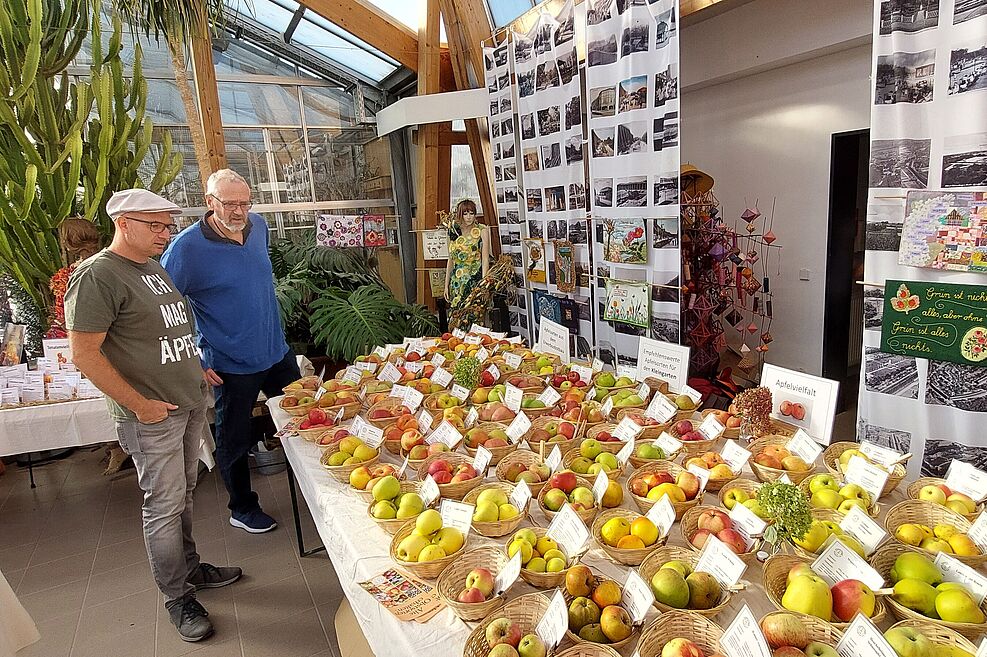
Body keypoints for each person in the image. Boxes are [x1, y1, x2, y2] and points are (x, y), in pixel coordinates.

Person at [65, 189, 242, 643]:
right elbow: (84, 353)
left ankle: (190, 568)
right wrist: (139, 404)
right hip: (152, 415)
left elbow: (164, 328)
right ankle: (177, 596)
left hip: (184, 401)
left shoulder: (150, 267)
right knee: (163, 506)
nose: (166, 234)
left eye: (167, 225)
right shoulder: (98, 275)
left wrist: (195, 366)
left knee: (182, 497)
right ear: (124, 224)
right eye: (155, 226)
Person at [161, 169, 299, 534]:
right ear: (210, 202)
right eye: (230, 204)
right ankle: (242, 507)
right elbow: (163, 308)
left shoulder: (259, 227)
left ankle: (317, 486)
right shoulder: (186, 249)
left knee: (304, 420)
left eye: (245, 202)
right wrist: (194, 357)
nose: (239, 212)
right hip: (230, 362)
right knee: (234, 437)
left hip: (276, 351)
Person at [443, 198, 490, 311]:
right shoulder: (453, 231)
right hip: (457, 282)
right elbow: (450, 259)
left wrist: (484, 284)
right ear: (460, 214)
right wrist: (446, 285)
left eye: (471, 213)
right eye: (465, 213)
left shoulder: (482, 230)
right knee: (456, 317)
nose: (469, 216)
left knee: (474, 315)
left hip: (474, 279)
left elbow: (485, 259)